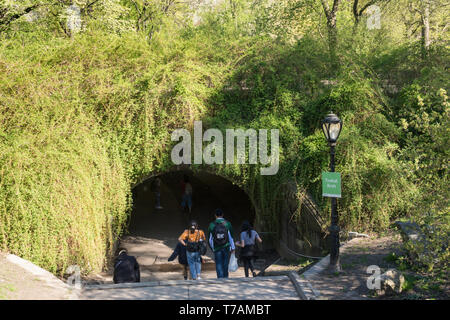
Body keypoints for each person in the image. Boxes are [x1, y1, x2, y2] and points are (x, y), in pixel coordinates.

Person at [208, 208, 235, 278]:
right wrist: (233, 248)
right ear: (222, 215)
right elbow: (231, 237)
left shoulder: (212, 225)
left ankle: (220, 278)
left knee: (218, 264)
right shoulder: (228, 224)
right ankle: (226, 277)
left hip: (217, 247)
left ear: (215, 215)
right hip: (226, 246)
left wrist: (213, 248)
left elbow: (210, 239)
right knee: (225, 263)